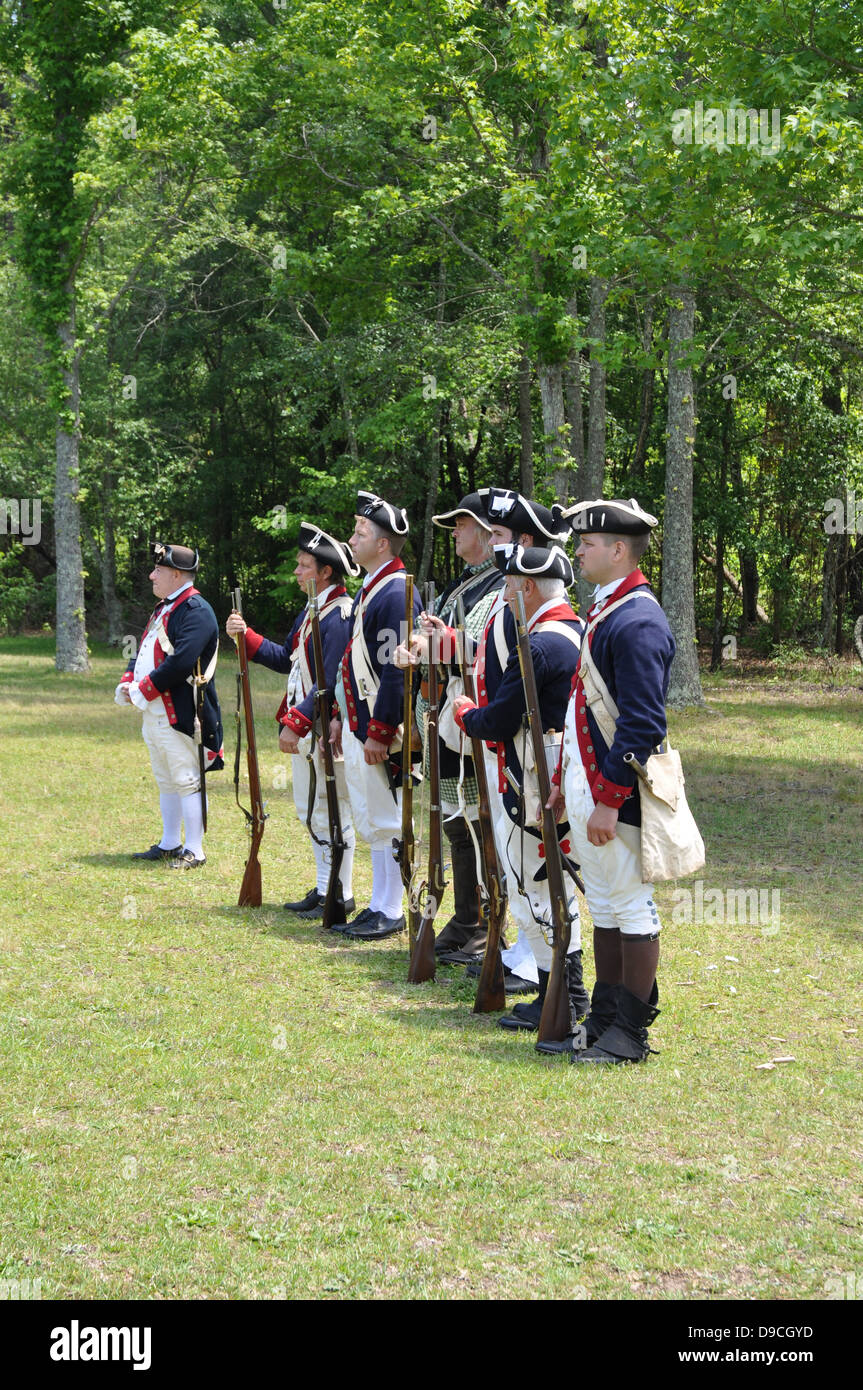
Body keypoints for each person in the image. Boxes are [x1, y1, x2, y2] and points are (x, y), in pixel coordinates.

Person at [547, 498, 675, 1065]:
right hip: (588, 789)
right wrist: (561, 782)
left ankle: (631, 1033)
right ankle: (604, 1016)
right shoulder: (605, 611)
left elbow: (643, 724)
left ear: (618, 550)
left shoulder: (638, 618)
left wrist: (606, 799)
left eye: (587, 543)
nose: (577, 551)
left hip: (615, 796)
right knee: (604, 906)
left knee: (631, 907)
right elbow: (580, 713)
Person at [452, 545, 590, 1032]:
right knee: (543, 885)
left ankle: (564, 994)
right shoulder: (571, 632)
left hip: (531, 779)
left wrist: (466, 714)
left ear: (527, 587)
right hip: (550, 774)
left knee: (533, 885)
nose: (506, 596)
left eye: (511, 587)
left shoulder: (538, 644)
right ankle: (564, 991)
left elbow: (500, 719)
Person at [225, 524, 359, 919]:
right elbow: (287, 658)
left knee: (333, 811)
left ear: (325, 572)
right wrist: (245, 636)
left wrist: (297, 720)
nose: (297, 573)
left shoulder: (338, 615)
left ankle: (341, 891)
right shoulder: (313, 609)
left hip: (320, 728)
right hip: (308, 728)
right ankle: (324, 887)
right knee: (311, 809)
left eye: (304, 566)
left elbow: (329, 678)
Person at [394, 491, 504, 964]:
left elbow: (494, 647)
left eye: (461, 525)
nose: (454, 532)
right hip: (446, 716)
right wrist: (415, 648)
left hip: (475, 716)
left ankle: (485, 921)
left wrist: (446, 641)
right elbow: (442, 638)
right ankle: (465, 919)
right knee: (455, 821)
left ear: (484, 532)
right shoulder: (463, 586)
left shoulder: (502, 586)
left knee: (480, 822)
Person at [329, 491, 422, 942]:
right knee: (372, 818)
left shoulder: (397, 591)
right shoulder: (376, 587)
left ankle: (390, 907)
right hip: (358, 722)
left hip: (379, 728)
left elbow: (396, 669)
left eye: (360, 533)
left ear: (383, 544)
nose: (352, 538)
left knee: (386, 819)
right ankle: (377, 903)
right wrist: (341, 719)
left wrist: (381, 730)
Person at [116, 542, 223, 868]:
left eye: (158, 571)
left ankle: (195, 849)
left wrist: (143, 690)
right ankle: (170, 842)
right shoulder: (166, 607)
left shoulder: (196, 611)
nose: (152, 575)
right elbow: (145, 648)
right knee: (166, 778)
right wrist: (128, 680)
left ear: (177, 575)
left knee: (186, 778)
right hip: (156, 710)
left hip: (181, 709)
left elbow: (180, 663)